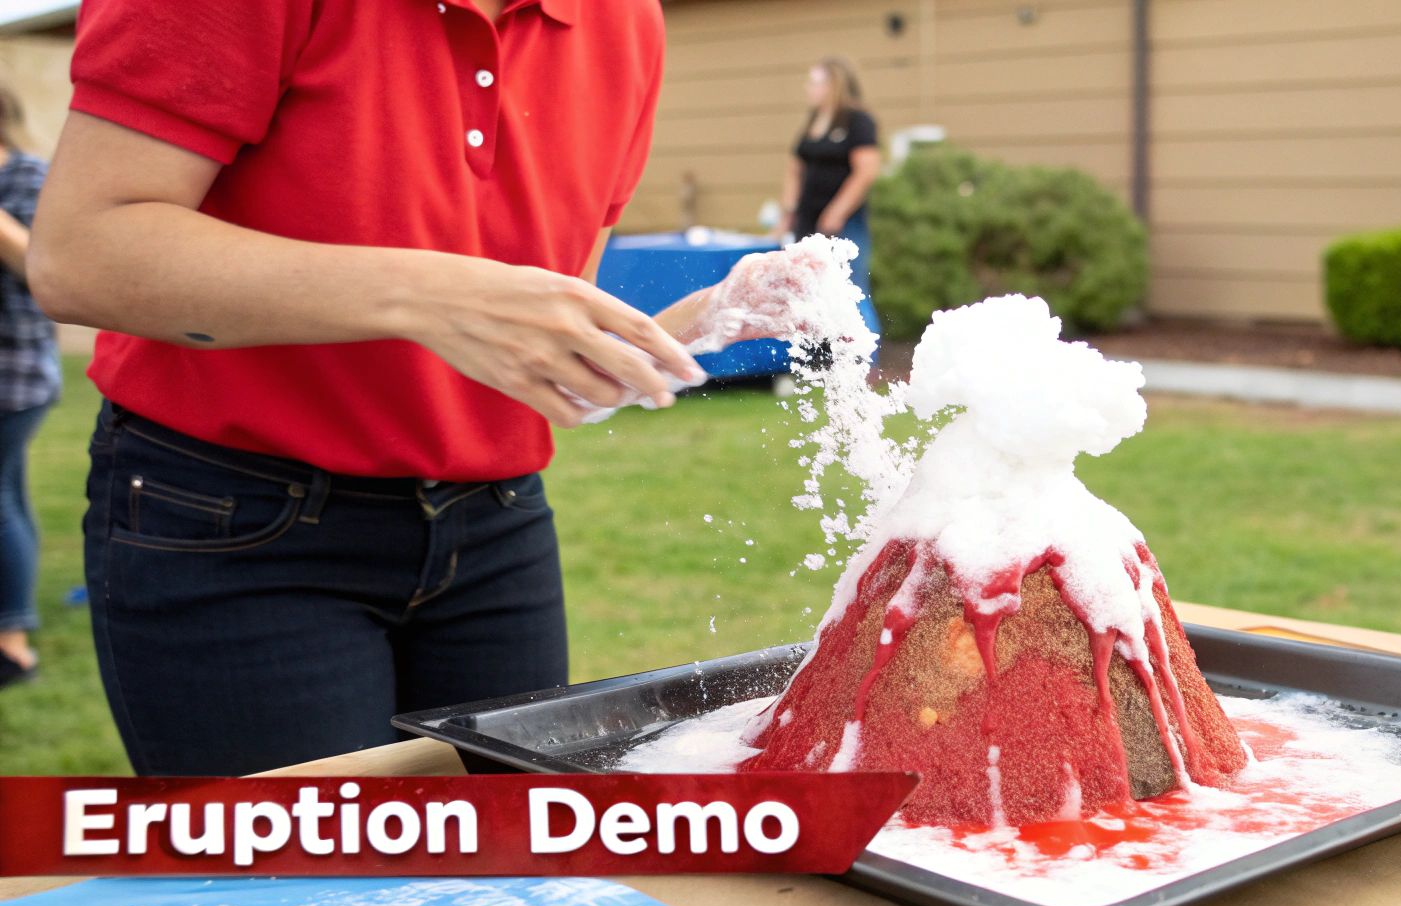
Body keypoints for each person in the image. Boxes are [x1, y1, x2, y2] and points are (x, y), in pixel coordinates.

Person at [28, 0, 819, 775]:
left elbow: (531, 344)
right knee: (316, 898)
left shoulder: (625, 21)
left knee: (518, 888)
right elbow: (79, 255)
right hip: (236, 521)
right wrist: (429, 294)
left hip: (495, 527)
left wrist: (694, 327)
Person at [0, 82, 55, 690]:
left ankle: (11, 642)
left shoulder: (27, 177)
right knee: (6, 498)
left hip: (13, 375)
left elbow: (44, 267)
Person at [780, 57, 882, 335]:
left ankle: (865, 363)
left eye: (814, 82)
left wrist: (837, 211)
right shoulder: (814, 122)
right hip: (808, 221)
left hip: (844, 224)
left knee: (851, 290)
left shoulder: (857, 121)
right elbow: (795, 167)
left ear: (832, 85)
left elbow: (867, 170)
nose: (807, 88)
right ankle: (818, 364)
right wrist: (789, 211)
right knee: (810, 293)